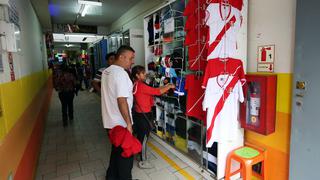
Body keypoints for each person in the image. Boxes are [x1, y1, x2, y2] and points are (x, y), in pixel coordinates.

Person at [101, 46, 135, 180]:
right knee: (126, 156)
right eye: (131, 58)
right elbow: (122, 100)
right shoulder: (120, 73)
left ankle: (111, 177)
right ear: (121, 57)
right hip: (120, 123)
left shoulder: (106, 71)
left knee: (116, 151)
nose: (132, 61)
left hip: (109, 122)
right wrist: (129, 124)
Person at [131, 65, 175, 169]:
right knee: (144, 139)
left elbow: (153, 89)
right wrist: (169, 86)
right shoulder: (141, 85)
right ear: (137, 75)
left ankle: (139, 155)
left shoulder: (136, 84)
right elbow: (156, 92)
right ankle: (143, 161)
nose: (145, 74)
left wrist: (166, 86)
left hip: (139, 115)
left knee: (141, 137)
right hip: (144, 116)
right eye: (142, 73)